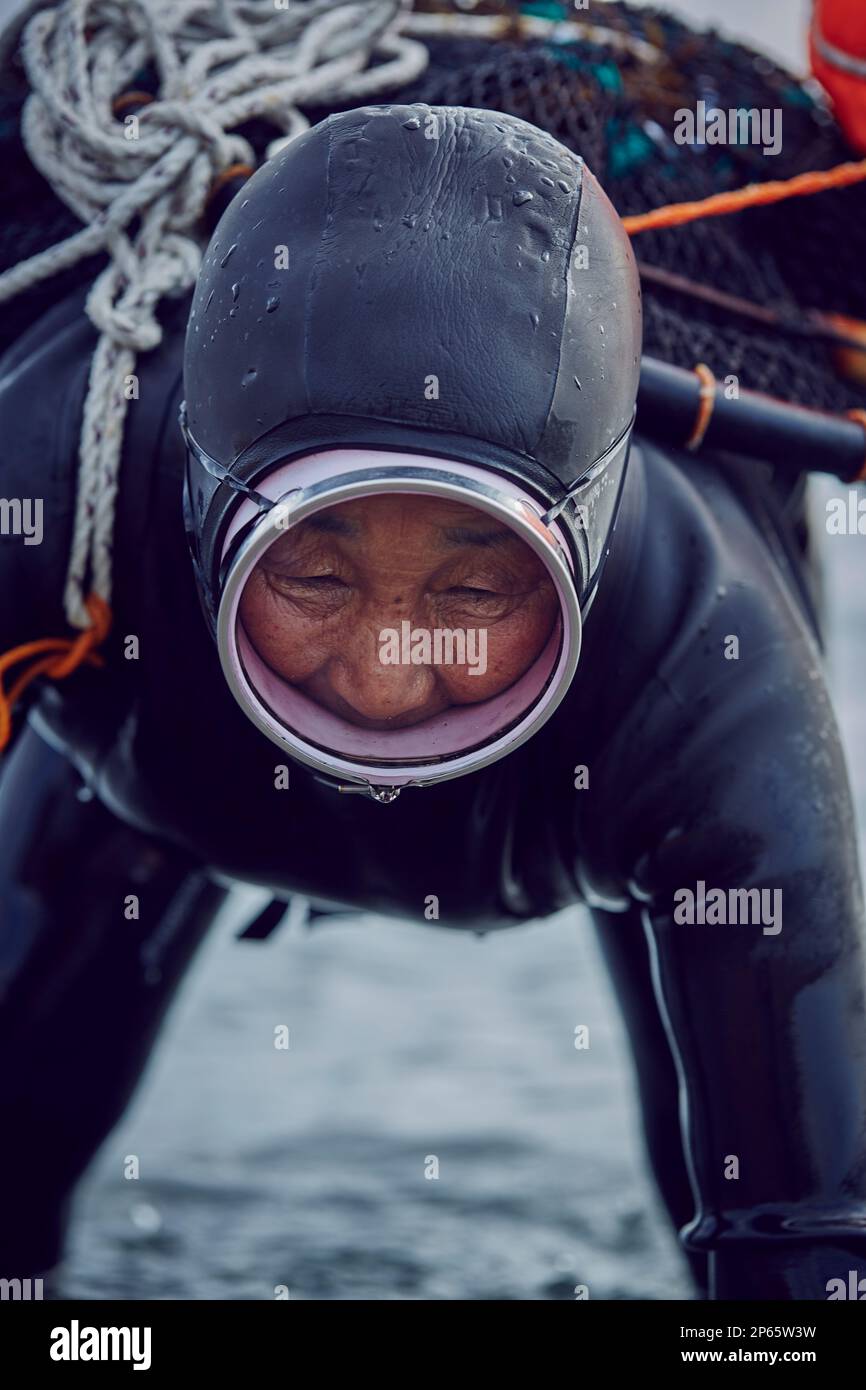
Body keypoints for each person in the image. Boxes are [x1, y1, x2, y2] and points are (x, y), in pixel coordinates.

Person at [2, 102, 866, 1303]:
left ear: (587, 544)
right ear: (202, 502)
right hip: (154, 757)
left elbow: (809, 1245)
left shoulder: (706, 677)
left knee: (735, 1217)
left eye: (471, 587)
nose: (381, 679)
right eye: (308, 571)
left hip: (593, 773)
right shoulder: (62, 479)